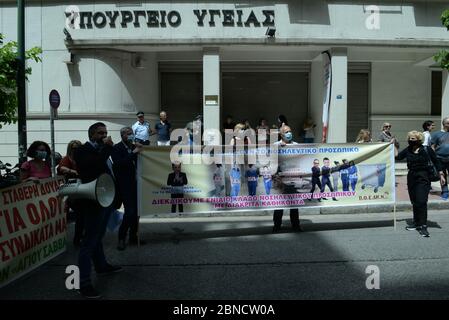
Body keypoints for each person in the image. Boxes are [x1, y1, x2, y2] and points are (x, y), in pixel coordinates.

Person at [73, 122, 122, 299]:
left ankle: (101, 266)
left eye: (105, 132)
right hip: (93, 201)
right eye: (100, 132)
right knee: (89, 241)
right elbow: (91, 167)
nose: (104, 135)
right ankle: (82, 282)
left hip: (105, 199)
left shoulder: (102, 149)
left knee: (98, 236)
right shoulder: (81, 150)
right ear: (92, 134)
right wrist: (107, 149)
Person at [396, 131, 445, 237]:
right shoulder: (408, 150)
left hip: (424, 177)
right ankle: (416, 222)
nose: (410, 140)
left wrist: (441, 174)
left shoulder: (426, 149)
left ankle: (423, 225)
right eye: (410, 138)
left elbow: (436, 161)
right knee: (414, 201)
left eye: (413, 138)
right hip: (412, 176)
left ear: (419, 139)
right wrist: (393, 145)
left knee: (421, 201)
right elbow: (398, 157)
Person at [111, 127, 144, 251]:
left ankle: (133, 236)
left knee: (137, 212)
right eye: (128, 134)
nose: (131, 136)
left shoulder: (134, 146)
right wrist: (133, 153)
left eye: (132, 134)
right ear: (122, 135)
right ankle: (121, 238)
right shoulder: (117, 148)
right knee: (129, 212)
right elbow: (119, 164)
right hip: (125, 186)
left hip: (137, 184)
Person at [272, 125, 301, 232]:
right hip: (280, 179)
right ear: (281, 134)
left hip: (293, 178)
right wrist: (280, 149)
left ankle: (296, 225)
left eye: (290, 131)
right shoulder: (276, 145)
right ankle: (277, 226)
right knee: (279, 204)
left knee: (294, 204)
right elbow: (272, 160)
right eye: (286, 132)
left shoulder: (296, 145)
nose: (289, 133)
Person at [57, 140, 83, 246]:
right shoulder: (67, 159)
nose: (75, 149)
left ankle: (79, 238)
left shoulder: (82, 158)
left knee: (82, 216)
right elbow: (61, 168)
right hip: (70, 190)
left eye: (77, 148)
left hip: (82, 189)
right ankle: (76, 239)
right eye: (73, 148)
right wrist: (73, 171)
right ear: (70, 148)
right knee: (79, 215)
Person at [431, 117, 449, 200]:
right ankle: (445, 192)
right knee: (442, 175)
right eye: (448, 123)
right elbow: (432, 146)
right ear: (444, 124)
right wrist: (434, 157)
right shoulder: (436, 134)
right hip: (440, 158)